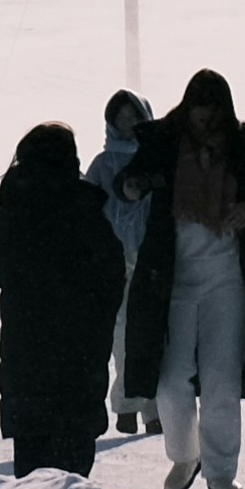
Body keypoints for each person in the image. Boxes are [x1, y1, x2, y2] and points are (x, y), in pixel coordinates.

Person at [118, 69, 245, 489]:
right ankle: (184, 453)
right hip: (171, 282)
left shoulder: (242, 148)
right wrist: (135, 186)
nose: (204, 122)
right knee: (170, 382)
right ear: (186, 108)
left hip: (228, 282)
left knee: (222, 380)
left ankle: (222, 475)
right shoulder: (164, 143)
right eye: (197, 113)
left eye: (212, 115)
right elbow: (125, 183)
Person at [0, 121, 125, 474]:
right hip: (78, 358)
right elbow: (111, 278)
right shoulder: (84, 208)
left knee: (31, 480)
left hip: (27, 353)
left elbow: (2, 271)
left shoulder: (14, 207)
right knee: (72, 487)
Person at [87, 91, 159, 429]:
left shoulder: (157, 159)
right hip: (114, 260)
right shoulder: (102, 165)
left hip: (154, 258)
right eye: (122, 116)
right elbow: (87, 211)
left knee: (157, 334)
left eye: (134, 116)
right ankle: (128, 404)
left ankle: (155, 409)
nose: (128, 122)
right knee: (123, 334)